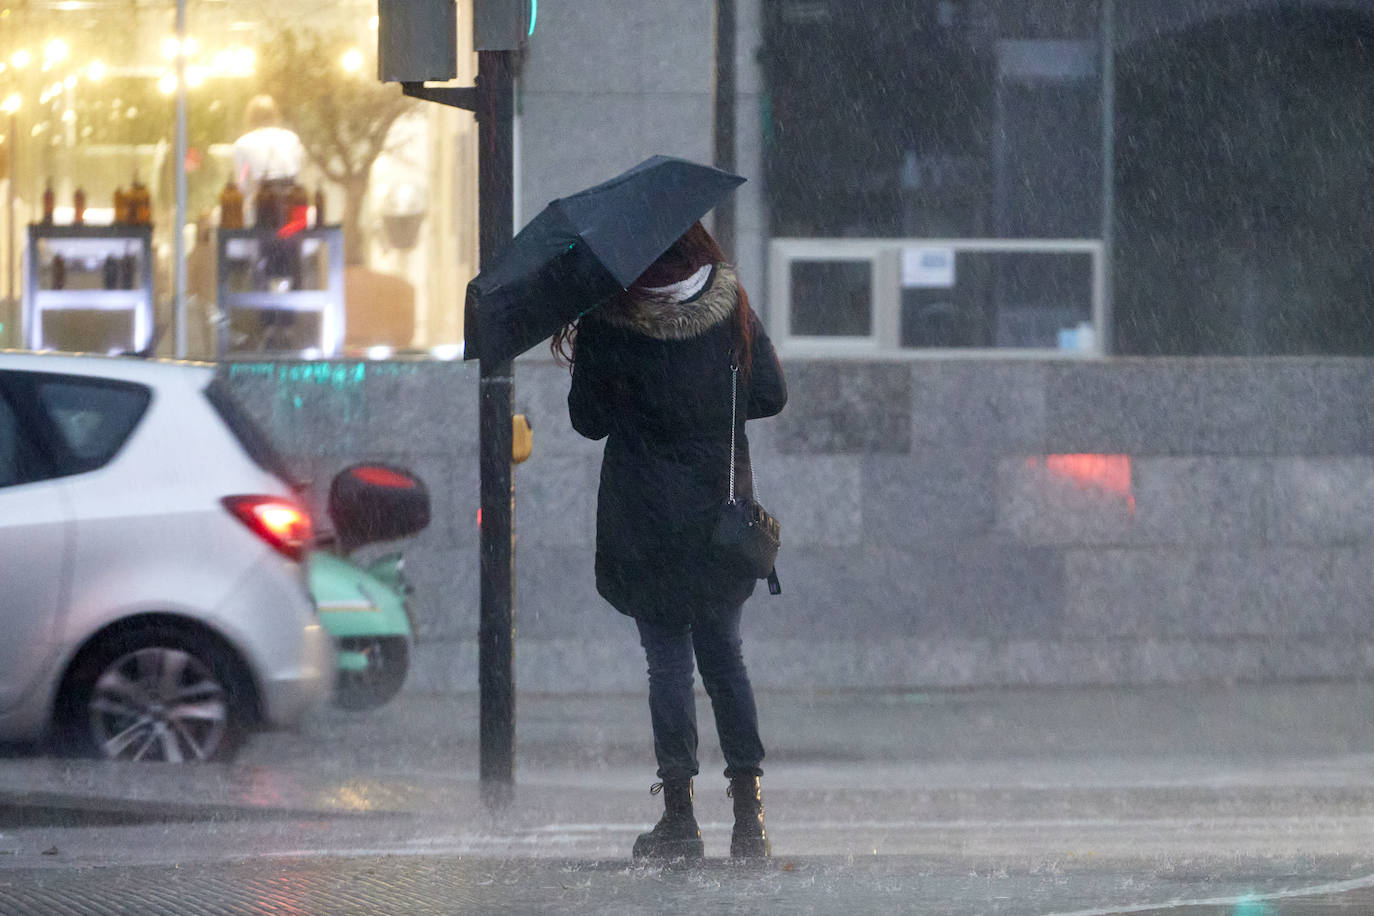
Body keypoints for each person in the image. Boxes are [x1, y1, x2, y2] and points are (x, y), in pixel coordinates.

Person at [555, 221, 787, 860]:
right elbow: (770, 393)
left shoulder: (612, 317)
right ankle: (750, 821)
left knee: (668, 664)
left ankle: (681, 820)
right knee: (726, 660)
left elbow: (587, 420)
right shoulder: (729, 302)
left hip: (645, 517)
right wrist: (712, 405)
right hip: (718, 517)